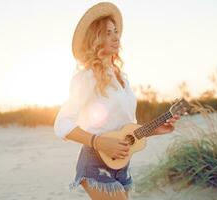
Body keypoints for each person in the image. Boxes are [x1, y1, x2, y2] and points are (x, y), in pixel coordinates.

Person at [53, 2, 180, 200]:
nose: (116, 37)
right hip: (95, 162)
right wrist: (99, 142)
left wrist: (155, 129)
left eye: (116, 31)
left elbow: (125, 129)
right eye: (107, 33)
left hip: (122, 164)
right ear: (94, 39)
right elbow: (62, 125)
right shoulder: (86, 78)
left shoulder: (122, 79)